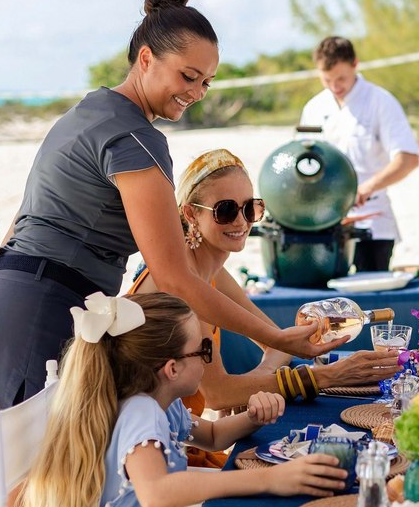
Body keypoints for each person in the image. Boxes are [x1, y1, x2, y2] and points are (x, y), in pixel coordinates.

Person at [0, 0, 338, 507]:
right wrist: (282, 342)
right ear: (147, 58)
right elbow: (176, 275)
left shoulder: (88, 112)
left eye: (206, 82)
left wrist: (273, 332)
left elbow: (36, 219)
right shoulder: (136, 137)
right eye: (187, 76)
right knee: (23, 491)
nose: (197, 93)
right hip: (38, 315)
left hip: (2, 303)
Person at [128, 148, 401, 467]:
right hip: (156, 455)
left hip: (191, 434)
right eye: (226, 210)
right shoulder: (182, 285)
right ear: (191, 214)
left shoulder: (211, 271)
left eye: (251, 208)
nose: (241, 222)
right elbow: (219, 394)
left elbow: (275, 341)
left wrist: (257, 380)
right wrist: (324, 377)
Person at [21, 292, 348, 506]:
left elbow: (212, 436)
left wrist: (253, 416)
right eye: (203, 350)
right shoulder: (140, 412)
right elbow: (156, 493)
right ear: (172, 368)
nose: (210, 356)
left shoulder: (161, 401)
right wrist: (270, 478)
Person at [299, 36, 419, 271]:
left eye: (341, 78)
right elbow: (303, 162)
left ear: (355, 64)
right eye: (327, 79)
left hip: (372, 224)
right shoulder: (313, 108)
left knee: (369, 303)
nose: (335, 86)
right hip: (323, 224)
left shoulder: (381, 102)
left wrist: (366, 188)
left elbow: (408, 159)